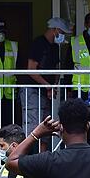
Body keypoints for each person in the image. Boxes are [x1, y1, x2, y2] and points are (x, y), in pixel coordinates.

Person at [20, 17, 70, 151]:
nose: (63, 36)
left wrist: (52, 85)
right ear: (55, 30)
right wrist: (48, 85)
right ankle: (29, 158)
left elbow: (57, 69)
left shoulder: (54, 47)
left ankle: (42, 157)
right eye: (62, 32)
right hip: (32, 90)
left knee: (46, 125)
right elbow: (31, 70)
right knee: (33, 125)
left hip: (44, 91)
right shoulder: (38, 43)